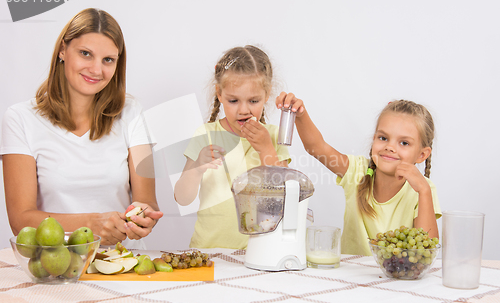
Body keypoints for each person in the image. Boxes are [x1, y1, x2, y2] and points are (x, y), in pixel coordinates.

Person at [0, 8, 163, 248]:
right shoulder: (20, 118)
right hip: (54, 266)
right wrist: (92, 224)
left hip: (121, 264)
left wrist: (144, 217)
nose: (97, 70)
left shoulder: (132, 111)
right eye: (86, 54)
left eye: (108, 60)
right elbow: (21, 220)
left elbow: (147, 201)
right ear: (63, 51)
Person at [276, 96, 441, 256]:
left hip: (396, 279)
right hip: (352, 275)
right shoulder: (357, 171)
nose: (390, 147)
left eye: (404, 143)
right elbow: (317, 147)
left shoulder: (423, 189)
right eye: (383, 138)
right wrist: (301, 115)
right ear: (374, 139)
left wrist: (424, 191)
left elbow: (427, 250)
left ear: (421, 154)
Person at [174, 45, 291, 249]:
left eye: (253, 100)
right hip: (208, 250)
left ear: (267, 94)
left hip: (261, 251)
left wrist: (266, 150)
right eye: (233, 100)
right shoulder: (206, 134)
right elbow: (183, 199)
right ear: (219, 93)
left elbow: (283, 196)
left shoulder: (273, 136)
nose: (243, 110)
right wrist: (196, 170)